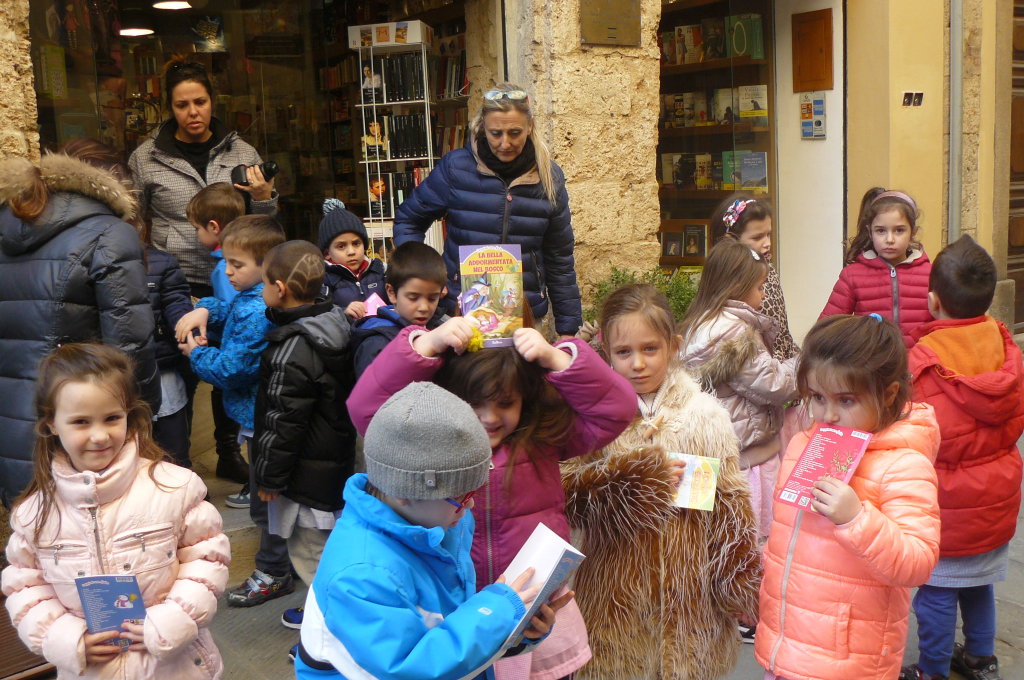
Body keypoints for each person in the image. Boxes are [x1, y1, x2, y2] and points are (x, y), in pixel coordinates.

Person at [347, 317, 635, 680]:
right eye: (472, 403)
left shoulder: (542, 437)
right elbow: (368, 413)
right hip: (458, 616)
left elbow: (618, 409)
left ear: (524, 399)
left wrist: (557, 359)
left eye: (504, 402)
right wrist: (424, 347)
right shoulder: (433, 445)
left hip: (532, 610)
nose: (489, 417)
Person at [297, 381, 568, 679]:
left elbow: (447, 625)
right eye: (461, 497)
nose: (470, 507)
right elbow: (409, 669)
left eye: (474, 492)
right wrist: (496, 613)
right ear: (404, 491)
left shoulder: (438, 520)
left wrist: (517, 630)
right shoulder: (362, 574)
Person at [562, 284, 761, 680]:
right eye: (624, 352)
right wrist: (635, 482)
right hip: (616, 596)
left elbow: (728, 504)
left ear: (673, 346)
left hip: (690, 599)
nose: (638, 363)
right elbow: (567, 496)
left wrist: (737, 579)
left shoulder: (705, 416)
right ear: (606, 353)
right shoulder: (594, 419)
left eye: (649, 349)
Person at [1, 343, 230, 679]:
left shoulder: (175, 488)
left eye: (112, 418)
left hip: (173, 666)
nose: (99, 435)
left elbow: (207, 559)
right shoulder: (34, 514)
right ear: (52, 423)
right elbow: (25, 587)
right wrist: (64, 637)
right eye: (80, 421)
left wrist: (171, 620)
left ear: (129, 414)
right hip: (91, 670)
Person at [756, 315, 941, 680]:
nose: (828, 414)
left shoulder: (903, 465)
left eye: (846, 399)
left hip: (847, 659)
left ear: (888, 394)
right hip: (785, 642)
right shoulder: (802, 443)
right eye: (817, 398)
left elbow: (918, 563)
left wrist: (857, 520)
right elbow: (788, 535)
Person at [0, 138, 160, 507]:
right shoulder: (110, 233)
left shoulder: (6, 228)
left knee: (37, 540)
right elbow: (130, 348)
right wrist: (140, 420)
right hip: (83, 430)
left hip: (14, 421)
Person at [900, 235, 1024, 680]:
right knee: (978, 584)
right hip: (996, 499)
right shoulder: (1006, 348)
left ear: (932, 301)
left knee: (936, 592)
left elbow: (917, 437)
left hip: (946, 506)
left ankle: (932, 668)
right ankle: (979, 658)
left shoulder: (921, 365)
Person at [393, 83, 584, 337]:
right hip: (458, 313)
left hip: (523, 315)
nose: (505, 143)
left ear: (530, 127)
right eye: (496, 133)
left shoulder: (550, 177)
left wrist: (569, 330)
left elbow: (559, 258)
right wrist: (425, 272)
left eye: (515, 132)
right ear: (483, 128)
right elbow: (408, 219)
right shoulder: (456, 168)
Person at [174, 215, 293, 609]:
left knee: (268, 500)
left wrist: (198, 354)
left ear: (266, 266)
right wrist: (205, 309)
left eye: (236, 264)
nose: (227, 271)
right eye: (226, 262)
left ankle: (274, 570)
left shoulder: (259, 309)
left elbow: (234, 368)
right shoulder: (252, 297)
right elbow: (229, 306)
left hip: (263, 422)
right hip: (256, 419)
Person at [250, 241, 357, 658]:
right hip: (331, 467)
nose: (261, 292)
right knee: (326, 553)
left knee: (314, 562)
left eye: (263, 284)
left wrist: (268, 478)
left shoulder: (291, 349)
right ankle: (322, 617)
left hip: (306, 480)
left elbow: (282, 422)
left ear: (280, 289)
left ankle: (329, 646)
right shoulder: (331, 322)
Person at [679, 240, 798, 541]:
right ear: (737, 286)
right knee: (752, 542)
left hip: (709, 455)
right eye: (759, 287)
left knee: (713, 543)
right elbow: (775, 385)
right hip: (745, 460)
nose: (764, 293)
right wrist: (804, 363)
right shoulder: (733, 332)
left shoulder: (700, 323)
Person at [129, 57, 278, 291]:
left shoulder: (242, 152)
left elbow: (265, 227)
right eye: (182, 105)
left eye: (200, 102)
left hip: (239, 281)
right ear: (170, 107)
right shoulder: (146, 158)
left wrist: (263, 199)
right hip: (175, 280)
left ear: (212, 102)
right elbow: (132, 220)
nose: (193, 112)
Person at [183, 182, 249, 484]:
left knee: (228, 400)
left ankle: (231, 455)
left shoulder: (224, 267)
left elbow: (232, 307)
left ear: (213, 227)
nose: (196, 236)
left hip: (231, 350)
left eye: (197, 228)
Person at [819, 187, 931, 347]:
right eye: (881, 231)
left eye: (899, 230)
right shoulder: (852, 275)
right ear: (870, 232)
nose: (890, 239)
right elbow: (826, 328)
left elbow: (945, 329)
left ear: (913, 232)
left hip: (920, 368)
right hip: (869, 367)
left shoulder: (931, 274)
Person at [710, 193, 798, 360]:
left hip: (781, 363)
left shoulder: (768, 270)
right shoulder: (727, 281)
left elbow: (781, 328)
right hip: (755, 367)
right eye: (757, 237)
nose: (767, 243)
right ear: (730, 241)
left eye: (768, 234)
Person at [350, 241, 449, 377]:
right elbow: (374, 392)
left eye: (432, 298)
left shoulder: (440, 327)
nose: (424, 307)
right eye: (413, 298)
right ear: (391, 292)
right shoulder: (376, 344)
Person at [141, 223, 193, 469]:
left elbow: (175, 300)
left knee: (173, 447)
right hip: (116, 375)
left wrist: (186, 328)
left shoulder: (161, 263)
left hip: (163, 369)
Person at [317, 198, 388, 319]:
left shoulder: (381, 270)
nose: (351, 252)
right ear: (327, 253)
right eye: (341, 246)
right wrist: (343, 312)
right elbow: (320, 315)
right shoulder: (323, 280)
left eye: (356, 244)